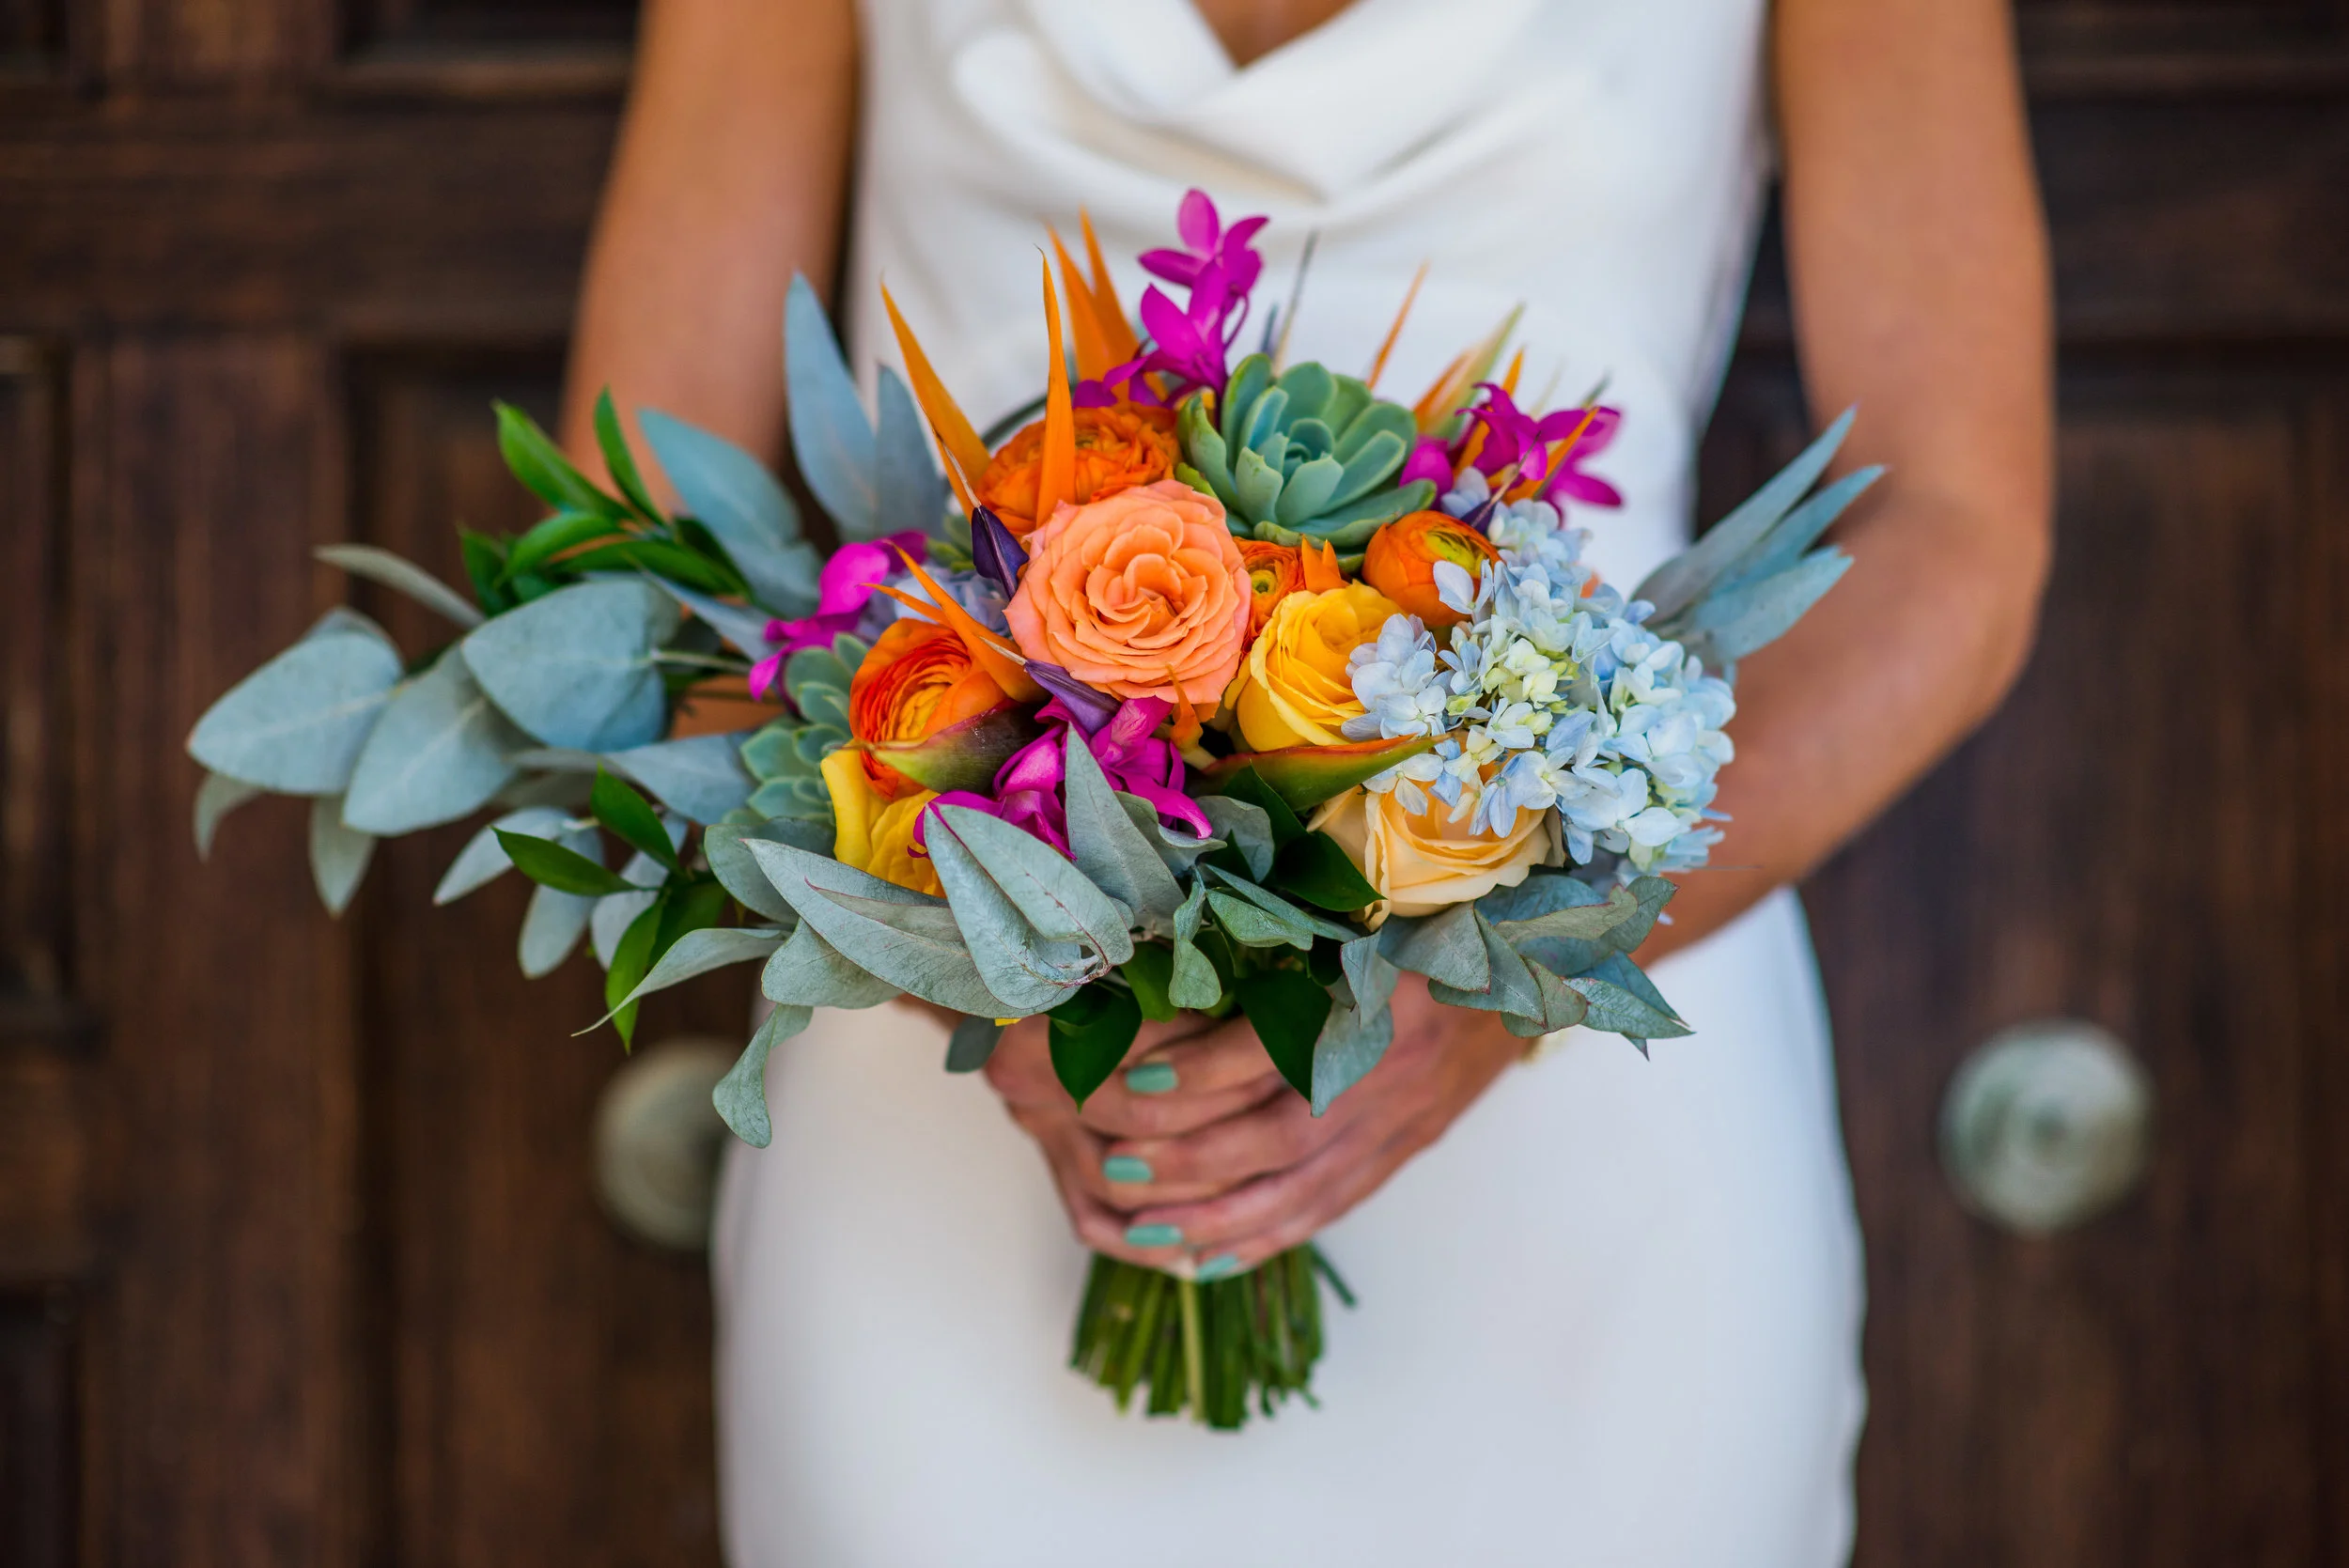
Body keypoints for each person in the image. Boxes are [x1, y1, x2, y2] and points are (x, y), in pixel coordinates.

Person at [561, 0, 2051, 1560]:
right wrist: (981, 960)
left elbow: (1959, 537)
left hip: (1584, 1102)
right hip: (944, 1119)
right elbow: (633, 537)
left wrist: (1499, 989)